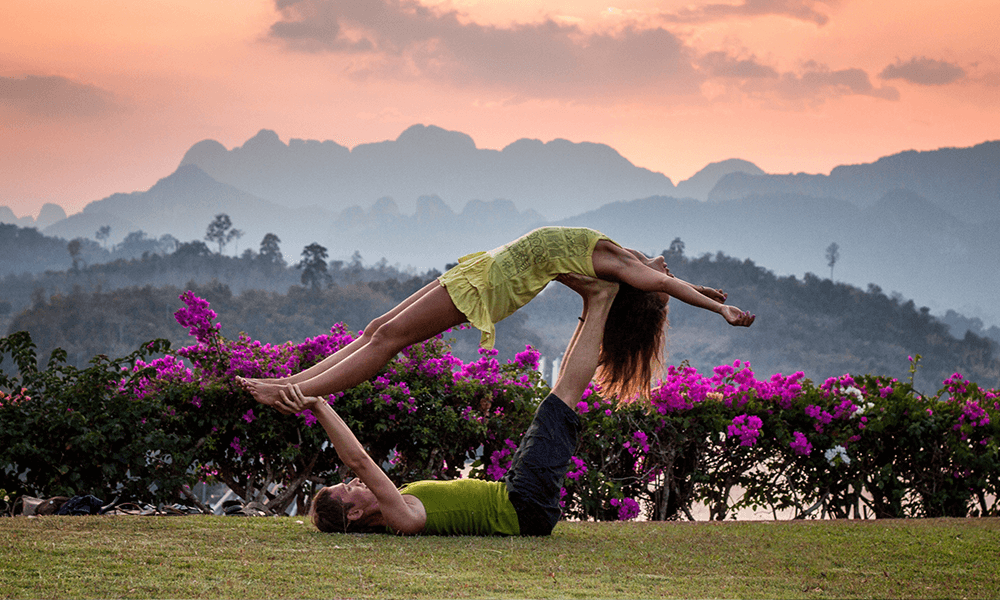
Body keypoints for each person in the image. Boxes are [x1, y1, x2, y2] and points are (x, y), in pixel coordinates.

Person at [241, 226, 754, 408]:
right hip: (484, 269)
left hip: (491, 286)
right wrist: (702, 290)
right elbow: (667, 280)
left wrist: (718, 308)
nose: (666, 266)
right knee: (379, 327)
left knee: (389, 339)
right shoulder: (625, 259)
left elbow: (663, 283)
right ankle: (290, 381)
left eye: (663, 277)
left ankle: (296, 394)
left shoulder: (626, 268)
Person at [275, 275, 623, 535]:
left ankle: (595, 304)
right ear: (353, 515)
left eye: (348, 481)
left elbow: (358, 466)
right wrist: (318, 403)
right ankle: (602, 299)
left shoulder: (401, 502)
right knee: (560, 402)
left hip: (516, 495)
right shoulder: (401, 517)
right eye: (348, 489)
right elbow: (358, 460)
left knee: (557, 400)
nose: (354, 481)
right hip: (524, 506)